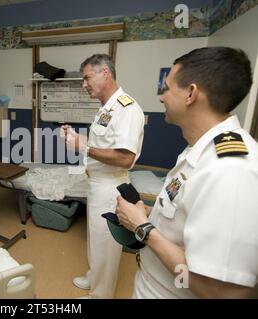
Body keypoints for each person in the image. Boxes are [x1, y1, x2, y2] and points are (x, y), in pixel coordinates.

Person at [115, 47, 257, 298]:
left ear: (191, 93)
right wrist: (151, 215)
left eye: (167, 88)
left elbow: (220, 292)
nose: (162, 97)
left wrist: (143, 228)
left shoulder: (230, 170)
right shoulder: (200, 151)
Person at [61, 54, 145, 298]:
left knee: (106, 246)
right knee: (96, 241)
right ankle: (93, 277)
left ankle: (101, 294)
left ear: (105, 73)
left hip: (110, 187)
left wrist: (83, 147)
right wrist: (76, 139)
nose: (84, 84)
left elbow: (124, 158)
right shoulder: (106, 109)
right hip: (96, 183)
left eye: (87, 78)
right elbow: (103, 145)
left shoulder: (127, 109)